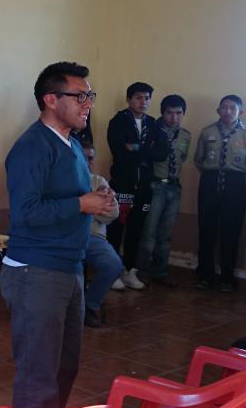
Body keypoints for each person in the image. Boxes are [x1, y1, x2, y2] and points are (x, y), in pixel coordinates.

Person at [2, 61, 116, 408]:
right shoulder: (33, 146)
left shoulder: (71, 145)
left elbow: (73, 197)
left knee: (65, 368)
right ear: (51, 99)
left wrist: (99, 199)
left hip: (69, 267)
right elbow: (27, 212)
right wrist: (82, 203)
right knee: (39, 378)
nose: (88, 103)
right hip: (35, 271)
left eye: (89, 95)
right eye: (80, 95)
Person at [193, 95, 246, 292]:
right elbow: (198, 159)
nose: (228, 111)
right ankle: (205, 275)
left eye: (232, 108)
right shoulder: (207, 132)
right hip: (210, 182)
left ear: (240, 112)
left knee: (231, 232)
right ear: (218, 110)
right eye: (224, 107)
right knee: (206, 231)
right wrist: (212, 174)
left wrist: (234, 179)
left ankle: (227, 278)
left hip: (235, 184)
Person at [136, 94, 191, 287]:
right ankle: (141, 271)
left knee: (165, 234)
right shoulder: (152, 131)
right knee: (148, 232)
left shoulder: (185, 135)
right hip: (155, 185)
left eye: (178, 113)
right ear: (162, 113)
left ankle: (160, 271)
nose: (174, 118)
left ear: (183, 114)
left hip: (174, 187)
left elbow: (182, 157)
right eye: (169, 113)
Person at [106, 82, 155, 291]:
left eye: (146, 98)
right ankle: (112, 272)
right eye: (138, 97)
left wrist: (136, 147)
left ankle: (130, 271)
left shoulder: (154, 124)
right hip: (123, 184)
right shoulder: (118, 122)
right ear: (129, 99)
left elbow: (161, 152)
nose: (143, 102)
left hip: (144, 186)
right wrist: (146, 150)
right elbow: (120, 153)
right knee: (117, 228)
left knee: (137, 229)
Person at [80, 141, 123, 328]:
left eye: (90, 158)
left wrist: (87, 208)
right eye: (83, 157)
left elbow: (113, 214)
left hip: (93, 237)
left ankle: (88, 306)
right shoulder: (61, 180)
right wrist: (94, 207)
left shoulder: (98, 181)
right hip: (66, 236)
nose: (87, 162)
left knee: (113, 265)